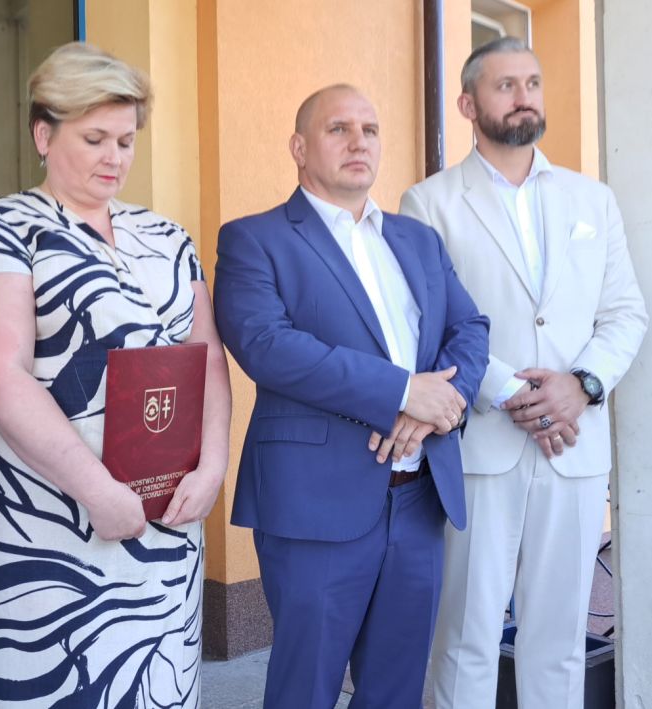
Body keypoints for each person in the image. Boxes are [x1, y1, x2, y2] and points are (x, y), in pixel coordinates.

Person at [0, 42, 232, 708]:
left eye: (126, 141)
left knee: (156, 684)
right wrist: (96, 490)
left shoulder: (167, 237)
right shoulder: (0, 228)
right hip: (40, 525)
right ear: (43, 135)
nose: (115, 157)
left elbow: (208, 356)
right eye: (95, 138)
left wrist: (212, 465)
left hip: (163, 522)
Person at [213, 84, 489, 709]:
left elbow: (470, 328)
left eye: (369, 129)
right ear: (299, 147)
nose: (358, 141)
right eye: (338, 129)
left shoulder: (418, 240)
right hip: (315, 501)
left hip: (417, 499)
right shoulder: (254, 239)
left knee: (396, 689)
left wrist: (443, 405)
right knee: (305, 689)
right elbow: (266, 345)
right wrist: (402, 393)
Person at [399, 37, 648, 709]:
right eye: (505, 85)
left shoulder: (592, 200)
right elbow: (428, 325)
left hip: (574, 446)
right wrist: (514, 391)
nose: (523, 97)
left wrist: (581, 385)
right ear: (467, 104)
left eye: (532, 82)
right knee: (466, 637)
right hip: (480, 445)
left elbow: (625, 313)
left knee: (560, 639)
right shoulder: (428, 203)